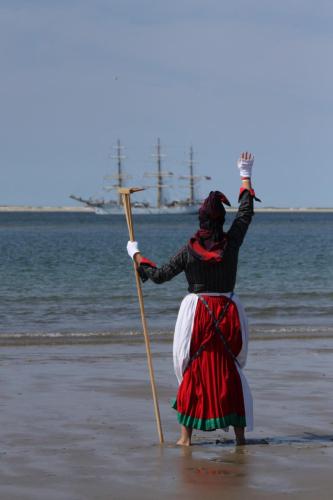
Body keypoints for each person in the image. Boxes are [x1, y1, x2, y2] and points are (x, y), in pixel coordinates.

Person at [126, 152, 259, 446]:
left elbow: (158, 276)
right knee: (228, 368)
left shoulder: (190, 250)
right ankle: (239, 438)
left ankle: (185, 438)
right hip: (227, 312)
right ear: (221, 220)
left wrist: (135, 255)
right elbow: (246, 214)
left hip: (196, 314)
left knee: (195, 368)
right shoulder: (231, 242)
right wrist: (245, 174)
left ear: (200, 219)